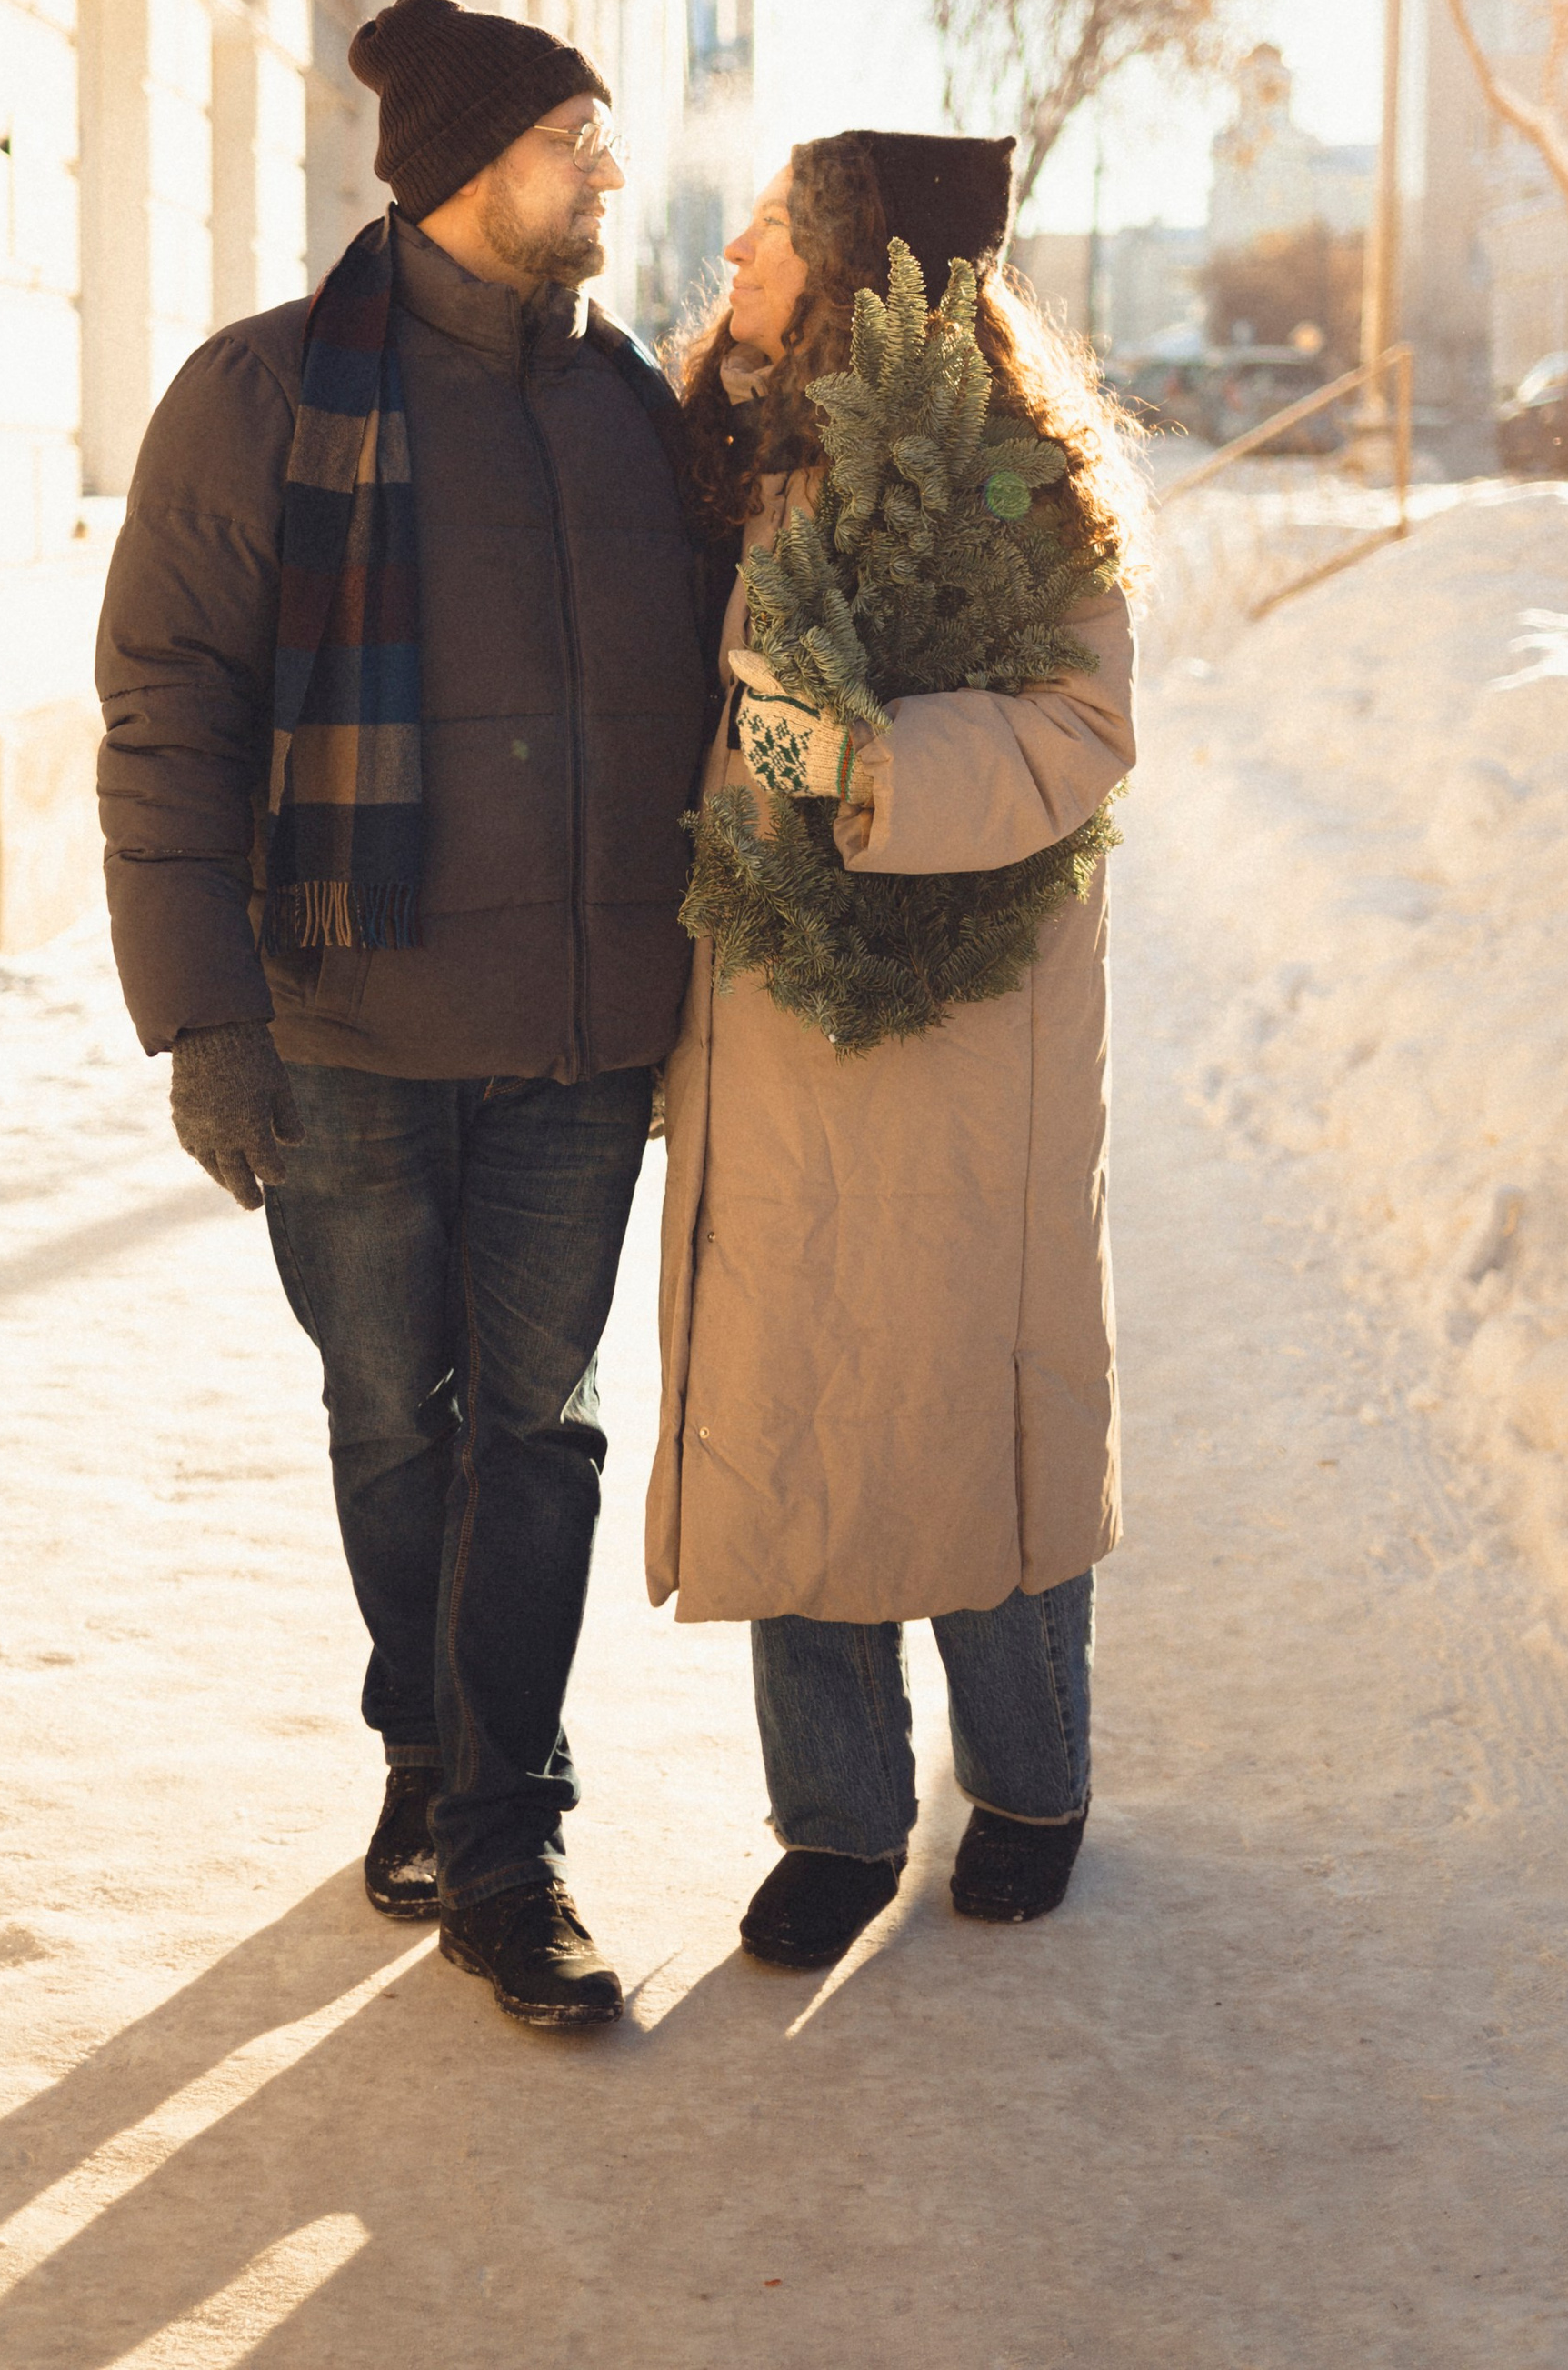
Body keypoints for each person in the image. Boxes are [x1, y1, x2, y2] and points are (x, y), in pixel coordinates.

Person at [95, 0, 708, 2034]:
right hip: (344, 1026)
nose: (605, 170)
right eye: (569, 139)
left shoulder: (639, 415)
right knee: (391, 1422)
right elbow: (167, 716)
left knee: (535, 1431)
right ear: (458, 170)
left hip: (572, 1030)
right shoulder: (265, 398)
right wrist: (203, 1023)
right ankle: (420, 1760)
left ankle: (505, 1830)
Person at [648, 129, 1136, 1972]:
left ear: (861, 264)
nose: (742, 241)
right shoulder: (725, 454)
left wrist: (851, 766)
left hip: (958, 1010)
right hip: (768, 1006)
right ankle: (838, 1819)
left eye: (783, 218)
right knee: (793, 1389)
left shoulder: (1014, 483)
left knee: (961, 1380)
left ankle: (1028, 1780)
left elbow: (1076, 726)